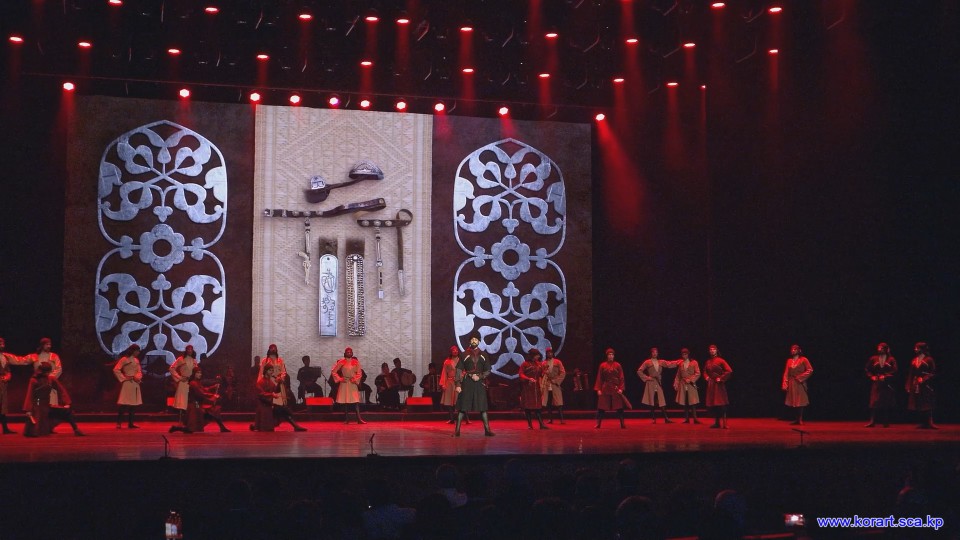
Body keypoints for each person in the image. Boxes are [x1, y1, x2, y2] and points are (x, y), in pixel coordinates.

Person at [23, 362, 83, 437]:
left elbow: (61, 390)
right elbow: (30, 395)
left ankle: (76, 429)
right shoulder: (34, 380)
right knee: (37, 427)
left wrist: (67, 402)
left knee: (67, 411)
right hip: (37, 405)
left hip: (46, 405)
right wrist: (28, 409)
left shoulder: (50, 379)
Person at [169, 367, 231, 433]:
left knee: (214, 411)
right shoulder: (193, 383)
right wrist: (213, 396)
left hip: (197, 404)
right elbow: (201, 393)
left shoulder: (197, 382)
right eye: (198, 373)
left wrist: (213, 387)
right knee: (192, 428)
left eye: (200, 373)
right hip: (195, 405)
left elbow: (203, 389)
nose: (200, 374)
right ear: (194, 374)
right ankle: (176, 428)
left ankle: (222, 427)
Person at [454, 338, 494, 436]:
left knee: (483, 407)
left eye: (476, 339)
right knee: (463, 407)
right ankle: (457, 431)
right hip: (467, 382)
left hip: (479, 383)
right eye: (472, 339)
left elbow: (488, 369)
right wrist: (458, 384)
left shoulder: (483, 354)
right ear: (469, 341)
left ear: (479, 341)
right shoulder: (464, 354)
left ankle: (487, 430)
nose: (474, 341)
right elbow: (459, 369)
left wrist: (480, 376)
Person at [251, 364, 306, 432]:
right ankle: (295, 426)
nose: (271, 372)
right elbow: (261, 394)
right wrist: (272, 395)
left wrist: (279, 383)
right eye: (270, 370)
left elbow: (275, 391)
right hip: (264, 405)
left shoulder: (270, 382)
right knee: (282, 409)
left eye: (272, 370)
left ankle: (295, 425)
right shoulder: (260, 382)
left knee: (283, 409)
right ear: (265, 371)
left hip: (270, 403)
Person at [637, 347, 680, 424]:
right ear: (651, 353)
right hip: (651, 382)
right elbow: (639, 371)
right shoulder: (647, 362)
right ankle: (653, 419)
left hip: (658, 382)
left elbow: (669, 364)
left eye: (656, 352)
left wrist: (678, 362)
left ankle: (666, 418)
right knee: (652, 400)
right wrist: (647, 378)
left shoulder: (661, 362)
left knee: (661, 400)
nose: (655, 353)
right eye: (653, 352)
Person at [23, 337, 63, 406]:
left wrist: (49, 379)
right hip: (38, 385)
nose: (49, 346)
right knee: (39, 404)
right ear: (42, 345)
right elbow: (20, 360)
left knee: (51, 404)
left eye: (50, 344)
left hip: (50, 385)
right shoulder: (35, 356)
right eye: (47, 344)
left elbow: (59, 369)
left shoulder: (54, 356)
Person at [594, 348, 628, 429]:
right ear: (607, 356)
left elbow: (621, 377)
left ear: (614, 356)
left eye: (612, 354)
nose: (611, 356)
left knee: (619, 407)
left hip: (615, 388)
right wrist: (598, 389)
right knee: (601, 407)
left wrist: (621, 388)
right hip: (605, 387)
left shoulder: (618, 365)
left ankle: (622, 423)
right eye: (609, 354)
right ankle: (598, 423)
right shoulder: (602, 365)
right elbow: (599, 378)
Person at [865, 342, 897, 427]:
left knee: (885, 402)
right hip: (877, 383)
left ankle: (885, 422)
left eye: (882, 348)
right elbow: (867, 369)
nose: (880, 349)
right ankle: (872, 421)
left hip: (887, 383)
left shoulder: (891, 359)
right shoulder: (873, 358)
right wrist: (872, 376)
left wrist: (886, 376)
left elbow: (895, 370)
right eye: (879, 348)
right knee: (874, 402)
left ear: (886, 349)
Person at [905, 342, 936, 429]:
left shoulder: (929, 360)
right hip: (916, 384)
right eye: (915, 348)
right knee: (919, 402)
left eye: (917, 348)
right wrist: (908, 385)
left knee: (927, 402)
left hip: (927, 385)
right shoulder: (914, 360)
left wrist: (924, 378)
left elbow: (933, 372)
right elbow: (911, 373)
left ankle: (930, 422)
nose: (915, 349)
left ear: (922, 349)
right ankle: (923, 422)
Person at [332, 347, 367, 424]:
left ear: (352, 353)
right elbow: (334, 371)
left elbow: (359, 372)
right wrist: (340, 379)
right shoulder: (341, 362)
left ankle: (359, 419)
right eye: (347, 352)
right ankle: (347, 419)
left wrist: (355, 379)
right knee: (346, 402)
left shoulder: (355, 362)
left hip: (352, 383)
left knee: (356, 401)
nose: (349, 353)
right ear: (345, 353)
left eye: (350, 352)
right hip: (345, 383)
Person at [112, 343, 143, 429]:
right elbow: (116, 369)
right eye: (137, 351)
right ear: (133, 351)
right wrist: (124, 378)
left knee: (133, 404)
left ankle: (131, 423)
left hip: (135, 383)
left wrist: (137, 377)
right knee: (124, 403)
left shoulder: (136, 360)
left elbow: (139, 371)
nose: (138, 352)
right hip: (127, 383)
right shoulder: (124, 359)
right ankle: (119, 423)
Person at [782, 344, 813, 425]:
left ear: (799, 350)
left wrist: (800, 377)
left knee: (800, 400)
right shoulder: (789, 361)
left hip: (799, 382)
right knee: (793, 400)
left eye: (795, 349)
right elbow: (786, 373)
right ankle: (796, 419)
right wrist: (785, 383)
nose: (793, 350)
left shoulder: (803, 359)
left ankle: (800, 419)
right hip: (792, 382)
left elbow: (810, 370)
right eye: (792, 349)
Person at [703, 344, 732, 429]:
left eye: (713, 349)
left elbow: (729, 371)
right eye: (710, 349)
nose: (712, 351)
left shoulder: (721, 360)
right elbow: (705, 371)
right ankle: (717, 423)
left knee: (721, 403)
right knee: (714, 404)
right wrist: (706, 377)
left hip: (719, 385)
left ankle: (725, 423)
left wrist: (721, 378)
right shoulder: (708, 361)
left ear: (716, 351)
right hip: (711, 385)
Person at [519, 349, 549, 430]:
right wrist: (528, 378)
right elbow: (521, 374)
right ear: (533, 355)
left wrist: (545, 372)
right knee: (528, 407)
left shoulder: (539, 364)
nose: (538, 356)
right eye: (537, 355)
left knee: (538, 407)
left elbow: (541, 374)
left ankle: (541, 424)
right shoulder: (525, 364)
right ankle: (530, 425)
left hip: (536, 387)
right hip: (528, 388)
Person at [1, 336, 25, 434]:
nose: (2, 345)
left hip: (3, 384)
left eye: (3, 343)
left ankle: (5, 428)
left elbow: (8, 369)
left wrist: (8, 376)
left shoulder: (5, 357)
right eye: (0, 343)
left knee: (3, 406)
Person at [169, 344, 200, 422]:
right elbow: (171, 368)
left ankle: (191, 420)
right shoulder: (181, 359)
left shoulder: (194, 360)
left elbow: (196, 371)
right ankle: (180, 421)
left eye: (191, 349)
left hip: (191, 383)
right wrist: (179, 377)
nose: (189, 351)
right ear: (186, 350)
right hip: (184, 382)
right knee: (182, 402)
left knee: (191, 402)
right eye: (188, 349)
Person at [673, 348, 701, 424]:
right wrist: (676, 384)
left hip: (691, 384)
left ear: (688, 354)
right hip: (683, 384)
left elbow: (698, 373)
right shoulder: (681, 363)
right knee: (685, 401)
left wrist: (691, 379)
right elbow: (678, 375)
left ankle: (695, 418)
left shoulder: (694, 362)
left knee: (693, 402)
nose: (684, 356)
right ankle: (687, 418)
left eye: (685, 354)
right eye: (683, 354)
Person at [541, 347, 567, 424]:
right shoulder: (544, 363)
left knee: (558, 403)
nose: (549, 354)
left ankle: (562, 419)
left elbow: (563, 373)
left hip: (555, 384)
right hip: (547, 384)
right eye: (548, 353)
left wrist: (556, 381)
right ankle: (550, 419)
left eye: (551, 353)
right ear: (546, 354)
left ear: (553, 353)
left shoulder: (557, 362)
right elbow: (542, 374)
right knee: (548, 402)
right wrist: (544, 374)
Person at [439, 346, 461, 423]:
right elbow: (444, 373)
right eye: (453, 350)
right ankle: (451, 418)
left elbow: (464, 372)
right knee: (449, 402)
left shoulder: (461, 361)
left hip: (458, 383)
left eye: (456, 350)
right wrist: (443, 384)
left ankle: (461, 418)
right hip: (449, 383)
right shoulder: (447, 362)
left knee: (459, 401)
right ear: (451, 352)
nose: (455, 351)